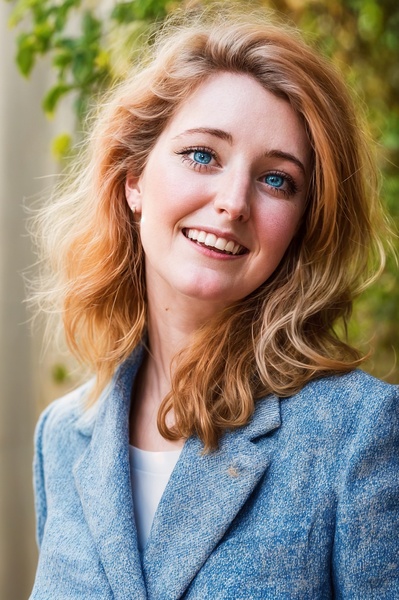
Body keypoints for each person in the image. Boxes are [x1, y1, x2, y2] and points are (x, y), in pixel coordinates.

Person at [30, 7, 398, 599]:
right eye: (202, 154)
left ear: (302, 225)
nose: (233, 202)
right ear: (133, 180)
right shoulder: (62, 438)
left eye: (277, 179)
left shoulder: (357, 434)